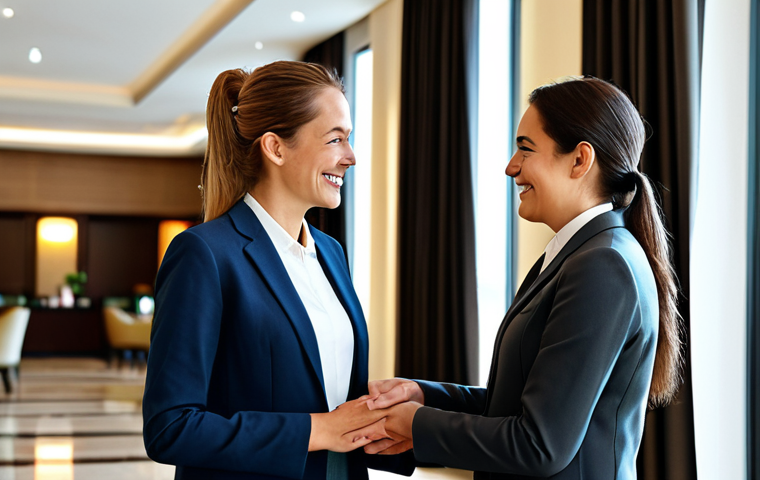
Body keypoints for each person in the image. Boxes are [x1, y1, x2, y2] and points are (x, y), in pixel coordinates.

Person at [362, 76, 683, 479]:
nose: (511, 166)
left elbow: (538, 445)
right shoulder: (580, 254)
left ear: (580, 160)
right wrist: (425, 396)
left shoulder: (602, 266)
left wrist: (414, 423)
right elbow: (521, 405)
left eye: (525, 149)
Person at [142, 60, 412, 480]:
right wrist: (315, 430)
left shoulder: (331, 253)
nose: (351, 157)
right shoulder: (203, 254)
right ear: (276, 147)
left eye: (349, 139)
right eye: (335, 139)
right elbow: (170, 427)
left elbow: (333, 398)